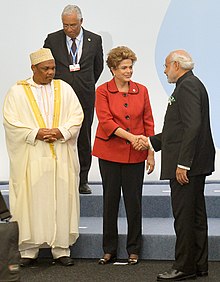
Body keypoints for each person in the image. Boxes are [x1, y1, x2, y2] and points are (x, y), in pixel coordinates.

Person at [135, 50, 215, 281]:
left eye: (166, 65)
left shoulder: (187, 86)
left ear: (177, 65)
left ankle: (184, 266)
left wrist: (183, 164)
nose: (164, 70)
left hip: (187, 166)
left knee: (184, 218)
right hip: (195, 164)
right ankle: (199, 265)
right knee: (195, 217)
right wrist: (150, 141)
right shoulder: (190, 84)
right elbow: (179, 129)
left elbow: (192, 127)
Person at [3, 48, 84, 267]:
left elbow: (77, 116)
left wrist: (60, 132)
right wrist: (36, 133)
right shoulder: (17, 92)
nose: (50, 73)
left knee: (61, 198)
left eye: (53, 68)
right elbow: (11, 122)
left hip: (60, 154)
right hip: (32, 156)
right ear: (33, 69)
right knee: (31, 199)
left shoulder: (64, 89)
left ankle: (61, 248)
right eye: (45, 69)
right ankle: (29, 250)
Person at [92, 46, 155, 265]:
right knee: (110, 202)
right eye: (124, 67)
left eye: (130, 67)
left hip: (136, 155)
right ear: (113, 69)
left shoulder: (142, 90)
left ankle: (134, 249)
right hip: (109, 154)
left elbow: (148, 123)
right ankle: (109, 249)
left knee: (133, 203)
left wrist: (150, 152)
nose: (129, 71)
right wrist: (132, 137)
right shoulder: (102, 91)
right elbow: (106, 121)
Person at [43, 4, 104, 194]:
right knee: (59, 136)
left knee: (83, 139)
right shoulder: (52, 39)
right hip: (59, 97)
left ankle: (82, 180)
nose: (69, 29)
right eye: (65, 25)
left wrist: (84, 83)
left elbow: (98, 68)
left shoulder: (94, 40)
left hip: (85, 97)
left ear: (81, 22)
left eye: (73, 25)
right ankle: (59, 179)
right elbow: (46, 65)